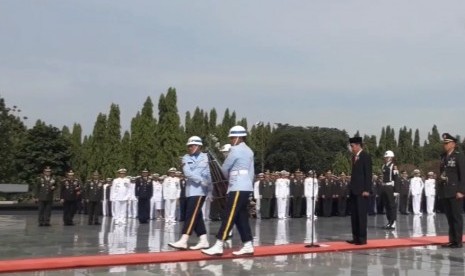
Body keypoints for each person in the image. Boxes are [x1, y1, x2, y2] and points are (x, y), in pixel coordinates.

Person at [202, 125, 255, 256]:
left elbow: (224, 169)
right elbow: (251, 172)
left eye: (232, 137)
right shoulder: (249, 151)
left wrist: (228, 179)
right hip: (246, 185)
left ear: (238, 137)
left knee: (229, 215)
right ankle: (248, 244)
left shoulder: (235, 150)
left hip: (236, 185)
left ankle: (219, 244)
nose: (231, 140)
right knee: (240, 216)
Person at [169, 136, 211, 250]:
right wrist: (201, 179)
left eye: (192, 146)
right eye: (188, 146)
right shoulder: (186, 158)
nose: (189, 148)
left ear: (198, 146)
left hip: (201, 191)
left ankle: (184, 239)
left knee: (191, 214)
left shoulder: (206, 158)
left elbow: (208, 174)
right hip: (191, 190)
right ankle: (203, 240)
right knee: (196, 215)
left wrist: (207, 184)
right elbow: (187, 173)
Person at [438, 133, 465, 248]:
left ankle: (458, 241)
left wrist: (461, 190)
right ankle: (452, 240)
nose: (445, 145)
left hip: (455, 191)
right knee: (449, 217)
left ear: (453, 144)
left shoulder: (459, 156)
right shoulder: (443, 156)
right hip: (445, 190)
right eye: (444, 143)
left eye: (447, 143)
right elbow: (442, 172)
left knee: (456, 217)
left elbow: (463, 175)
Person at [346, 136, 372, 245]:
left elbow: (368, 174)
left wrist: (367, 189)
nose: (351, 148)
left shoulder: (365, 156)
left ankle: (362, 238)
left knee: (361, 215)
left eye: (352, 146)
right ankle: (355, 237)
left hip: (362, 191)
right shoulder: (354, 157)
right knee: (355, 215)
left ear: (358, 145)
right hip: (354, 191)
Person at [380, 150, 399, 230]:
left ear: (391, 157)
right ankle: (389, 222)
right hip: (384, 187)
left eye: (387, 157)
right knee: (387, 206)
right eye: (385, 157)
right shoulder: (383, 166)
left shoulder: (393, 166)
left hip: (390, 187)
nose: (386, 158)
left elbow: (396, 179)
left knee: (392, 205)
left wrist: (396, 191)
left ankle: (393, 222)